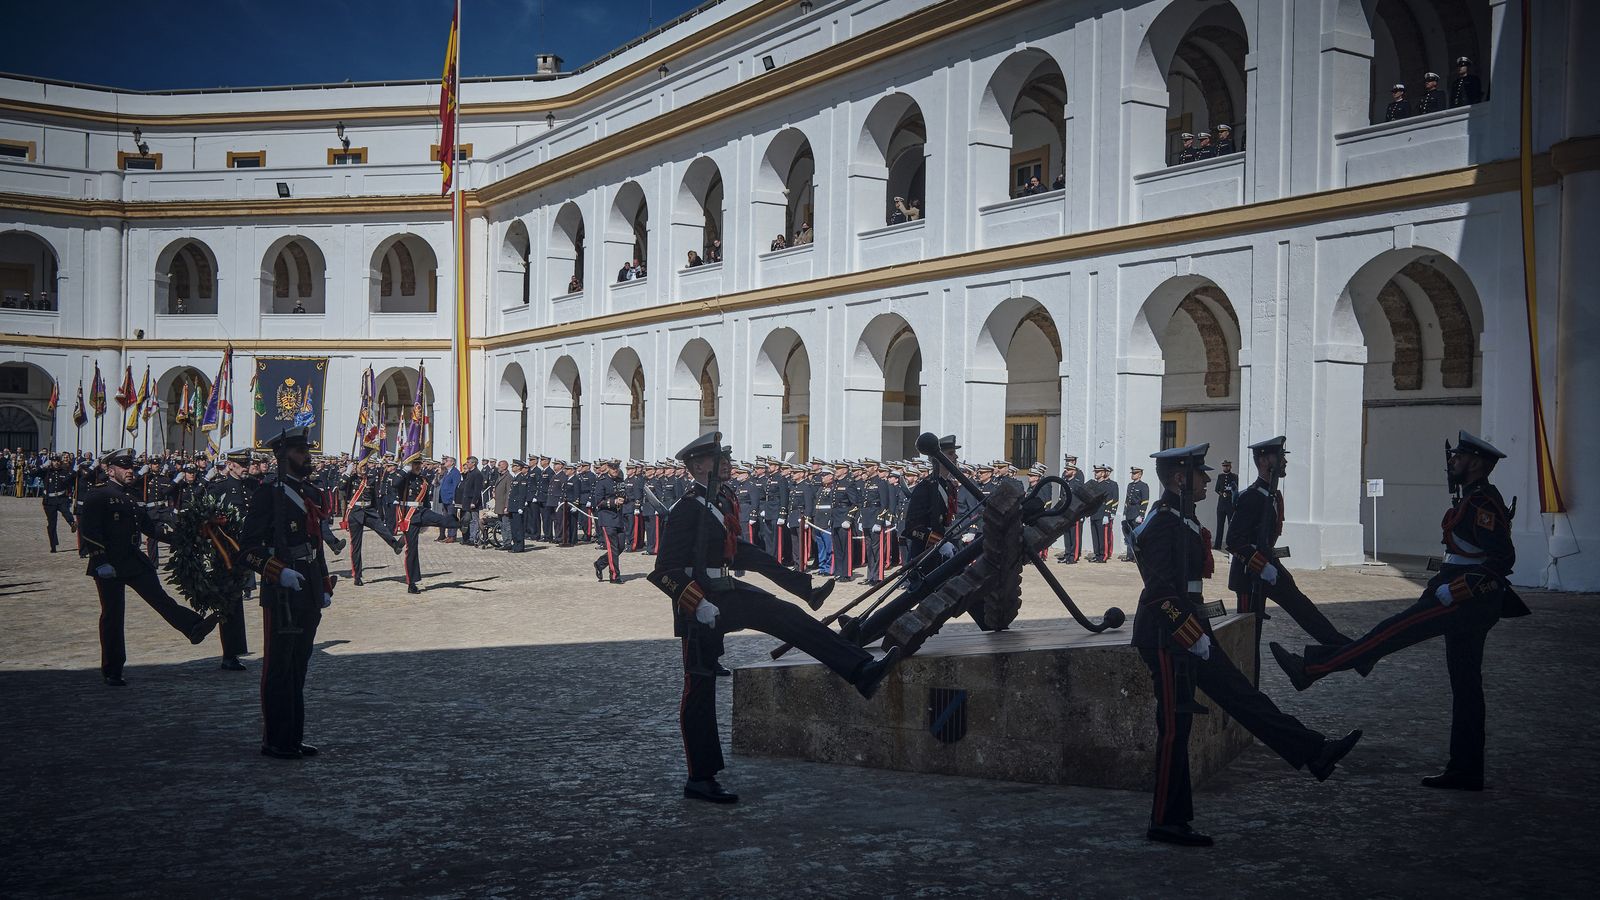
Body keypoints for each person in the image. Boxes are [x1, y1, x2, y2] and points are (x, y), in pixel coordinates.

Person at [1131, 442, 1362, 847]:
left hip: (1189, 633)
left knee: (1244, 697)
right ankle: (1166, 821)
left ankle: (1315, 751)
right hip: (1169, 638)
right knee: (1174, 731)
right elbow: (1159, 593)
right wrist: (1192, 636)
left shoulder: (1181, 517)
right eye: (1199, 473)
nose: (1207, 479)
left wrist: (1196, 634)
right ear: (1179, 479)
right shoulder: (1164, 522)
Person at [650, 431, 900, 804]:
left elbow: (736, 552)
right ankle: (700, 778)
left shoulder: (720, 499)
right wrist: (697, 604)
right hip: (698, 607)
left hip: (726, 593)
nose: (728, 465)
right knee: (698, 687)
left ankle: (860, 670)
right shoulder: (688, 507)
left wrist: (795, 583)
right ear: (699, 466)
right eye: (720, 460)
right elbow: (664, 570)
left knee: (788, 616)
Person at [1271, 431, 1528, 791]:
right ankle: (1466, 768)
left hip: (1459, 600)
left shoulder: (1481, 502)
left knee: (1387, 634)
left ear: (1477, 463)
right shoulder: (1471, 497)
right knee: (1466, 687)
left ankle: (1312, 668)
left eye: (1459, 457)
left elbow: (1503, 559)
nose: (1452, 461)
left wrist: (1456, 591)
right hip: (1463, 599)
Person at [80, 448, 219, 687]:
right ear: (110, 470)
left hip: (133, 559)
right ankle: (112, 669)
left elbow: (150, 528)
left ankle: (194, 627)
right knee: (113, 615)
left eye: (131, 467)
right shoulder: (99, 495)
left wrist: (184, 538)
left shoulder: (132, 496)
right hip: (109, 563)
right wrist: (100, 560)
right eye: (125, 468)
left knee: (160, 599)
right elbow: (89, 530)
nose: (130, 471)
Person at [1226, 436, 1355, 682]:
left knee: (1305, 610)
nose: (1284, 461)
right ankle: (1249, 692)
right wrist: (1260, 565)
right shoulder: (1252, 497)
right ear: (1264, 460)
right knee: (1249, 641)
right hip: (1249, 577)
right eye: (1280, 457)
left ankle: (1353, 653)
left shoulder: (1272, 495)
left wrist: (1269, 566)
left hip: (1269, 568)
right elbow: (1234, 541)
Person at [237, 428, 331, 759]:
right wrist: (278, 571)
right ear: (282, 456)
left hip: (307, 588)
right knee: (278, 667)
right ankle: (275, 738)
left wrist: (323, 583)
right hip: (282, 590)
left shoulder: (311, 492)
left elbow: (316, 544)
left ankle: (293, 735)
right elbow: (246, 548)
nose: (307, 455)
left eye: (306, 449)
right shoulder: (269, 494)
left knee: (300, 664)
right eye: (299, 450)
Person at [204, 448, 257, 671]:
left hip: (252, 549)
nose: (246, 467)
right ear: (231, 465)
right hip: (228, 553)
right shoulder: (220, 488)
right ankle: (230, 654)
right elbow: (206, 516)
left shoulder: (254, 486)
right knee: (230, 603)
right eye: (242, 464)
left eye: (247, 463)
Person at [395, 453, 457, 594]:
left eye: (419, 464)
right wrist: (404, 470)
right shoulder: (405, 477)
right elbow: (394, 484)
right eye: (414, 464)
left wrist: (426, 522)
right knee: (412, 549)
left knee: (441, 519)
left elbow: (425, 501)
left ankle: (460, 525)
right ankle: (412, 583)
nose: (417, 466)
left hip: (421, 512)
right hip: (409, 516)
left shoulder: (423, 479)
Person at [341, 456, 403, 586]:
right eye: (361, 467)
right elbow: (341, 486)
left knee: (382, 528)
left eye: (365, 466)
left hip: (368, 510)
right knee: (356, 545)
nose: (364, 469)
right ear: (356, 467)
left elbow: (374, 497)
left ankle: (395, 545)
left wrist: (376, 512)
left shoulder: (370, 479)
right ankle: (357, 575)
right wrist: (348, 471)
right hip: (355, 512)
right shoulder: (351, 479)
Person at [593, 459, 626, 583]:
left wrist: (624, 499)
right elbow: (599, 501)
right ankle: (614, 576)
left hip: (618, 518)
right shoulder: (602, 482)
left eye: (616, 468)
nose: (615, 470)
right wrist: (613, 502)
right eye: (613, 468)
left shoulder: (620, 480)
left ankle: (600, 563)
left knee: (620, 546)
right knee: (613, 548)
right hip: (607, 518)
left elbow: (624, 495)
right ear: (608, 468)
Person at [40, 452, 77, 552]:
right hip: (49, 501)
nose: (56, 463)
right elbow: (32, 473)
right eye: (54, 461)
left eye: (57, 461)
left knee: (66, 511)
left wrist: (74, 471)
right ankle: (53, 545)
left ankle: (72, 523)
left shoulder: (64, 471)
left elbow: (71, 481)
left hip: (61, 498)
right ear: (51, 462)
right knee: (52, 524)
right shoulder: (46, 472)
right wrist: (43, 466)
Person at [1088, 464, 1119, 563]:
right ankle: (1097, 554)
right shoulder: (1094, 484)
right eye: (1095, 472)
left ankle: (1103, 555)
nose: (1096, 474)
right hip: (1094, 513)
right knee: (1095, 536)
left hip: (1102, 513)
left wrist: (1107, 514)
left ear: (1102, 473)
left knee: (1103, 537)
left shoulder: (1107, 485)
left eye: (1098, 472)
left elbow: (1110, 500)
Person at [1119, 465, 1150, 562]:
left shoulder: (1143, 486)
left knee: (1136, 535)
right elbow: (1127, 500)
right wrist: (1124, 513)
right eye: (1132, 473)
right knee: (1128, 536)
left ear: (1140, 475)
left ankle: (1137, 556)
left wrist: (1141, 515)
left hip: (1137, 511)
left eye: (1135, 473)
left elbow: (1145, 501)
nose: (1132, 475)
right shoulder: (1130, 485)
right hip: (1129, 512)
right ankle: (1129, 555)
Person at [1213, 460, 1238, 550]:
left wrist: (1230, 494)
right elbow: (1216, 489)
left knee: (1230, 525)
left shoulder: (1234, 477)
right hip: (1221, 504)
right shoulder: (1220, 476)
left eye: (1227, 466)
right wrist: (1221, 493)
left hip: (1230, 504)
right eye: (1224, 466)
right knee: (1220, 525)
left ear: (1230, 467)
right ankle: (1217, 545)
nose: (1225, 467)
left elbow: (1235, 489)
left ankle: (1230, 544)